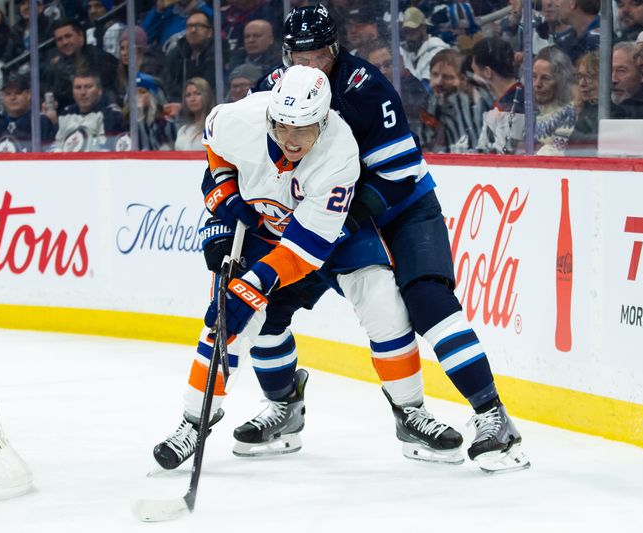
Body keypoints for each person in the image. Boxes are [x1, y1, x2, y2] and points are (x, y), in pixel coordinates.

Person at [247, 6, 529, 473]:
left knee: (426, 300)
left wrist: (339, 217)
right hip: (324, 217)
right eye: (300, 57)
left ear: (334, 51)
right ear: (286, 54)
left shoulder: (364, 86)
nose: (308, 67)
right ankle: (284, 407)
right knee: (267, 306)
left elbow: (397, 171)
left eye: (318, 57)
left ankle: (492, 416)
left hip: (398, 207)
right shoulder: (270, 91)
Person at [153, 64, 461, 470]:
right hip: (267, 225)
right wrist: (226, 203)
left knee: (382, 300)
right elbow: (216, 151)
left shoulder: (339, 153)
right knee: (230, 321)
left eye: (303, 129)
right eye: (282, 126)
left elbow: (305, 249)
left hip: (330, 234)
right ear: (269, 115)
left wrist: (253, 284)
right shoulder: (238, 118)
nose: (291, 139)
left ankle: (410, 411)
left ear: (325, 120)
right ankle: (196, 422)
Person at [41, 18, 119, 109]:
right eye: (59, 39)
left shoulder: (100, 58)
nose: (64, 42)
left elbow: (108, 92)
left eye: (68, 36)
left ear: (81, 36)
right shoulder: (53, 65)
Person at [419, 49, 482, 153]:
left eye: (447, 77)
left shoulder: (477, 110)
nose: (438, 82)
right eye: (434, 75)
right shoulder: (428, 108)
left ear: (462, 80)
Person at [471, 36, 526, 155]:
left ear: (487, 72)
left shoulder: (515, 106)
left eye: (475, 72)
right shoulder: (512, 98)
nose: (474, 78)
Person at [47, 71, 123, 151]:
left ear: (99, 91)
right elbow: (55, 146)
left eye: (88, 87)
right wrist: (53, 123)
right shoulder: (66, 113)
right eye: (78, 88)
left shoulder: (110, 113)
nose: (83, 92)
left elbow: (108, 149)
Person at [162, 10, 226, 102]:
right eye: (189, 26)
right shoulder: (176, 53)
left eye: (198, 26)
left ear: (209, 32)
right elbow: (169, 85)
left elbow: (215, 88)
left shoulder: (219, 52)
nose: (193, 30)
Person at [366, 40, 427, 136]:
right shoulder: (367, 92)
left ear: (401, 61)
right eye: (376, 68)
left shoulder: (413, 88)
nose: (383, 71)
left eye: (387, 64)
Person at [0, 72, 57, 151]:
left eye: (18, 93)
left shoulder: (40, 121)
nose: (12, 97)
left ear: (28, 94)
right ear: (3, 97)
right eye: (8, 94)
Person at [532, 45, 576, 156]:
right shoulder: (531, 109)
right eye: (534, 77)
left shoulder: (569, 113)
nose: (537, 84)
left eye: (545, 78)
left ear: (561, 80)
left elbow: (557, 154)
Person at [120, 72, 175, 151]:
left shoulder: (165, 125)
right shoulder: (122, 123)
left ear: (153, 96)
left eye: (142, 92)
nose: (138, 96)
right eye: (134, 93)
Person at [399, 6, 450, 90]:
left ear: (423, 28)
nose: (408, 36)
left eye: (412, 30)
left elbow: (427, 88)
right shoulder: (406, 52)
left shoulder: (438, 51)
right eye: (406, 32)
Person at [141, 0, 213, 51]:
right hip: (165, 64)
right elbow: (142, 39)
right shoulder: (166, 12)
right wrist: (158, 10)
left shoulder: (208, 14)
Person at [610, 41, 643, 119]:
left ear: (641, 73)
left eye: (621, 71)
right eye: (610, 70)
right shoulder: (603, 108)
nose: (613, 79)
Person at [174, 76, 213, 150]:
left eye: (197, 93)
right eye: (188, 95)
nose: (192, 99)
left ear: (207, 96)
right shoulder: (182, 130)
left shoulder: (214, 128)